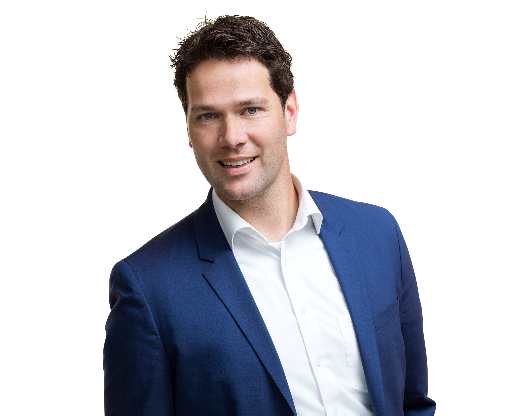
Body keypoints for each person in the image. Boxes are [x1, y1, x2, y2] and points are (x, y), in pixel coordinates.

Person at [104, 13, 435, 416]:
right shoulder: (147, 287)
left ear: (290, 111)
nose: (231, 138)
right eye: (208, 116)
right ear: (189, 130)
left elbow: (414, 404)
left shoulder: (378, 233)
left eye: (250, 110)